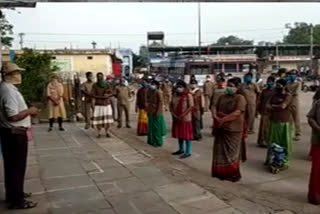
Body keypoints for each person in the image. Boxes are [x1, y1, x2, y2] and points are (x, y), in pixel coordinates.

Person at [0, 62, 39, 209]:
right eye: (17, 73)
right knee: (16, 167)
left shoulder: (8, 88)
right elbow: (13, 116)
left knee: (12, 167)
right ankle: (17, 200)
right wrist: (30, 111)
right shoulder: (8, 91)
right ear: (9, 75)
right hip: (14, 134)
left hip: (11, 133)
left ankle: (15, 193)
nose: (19, 75)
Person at [211, 78, 247, 182]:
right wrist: (215, 116)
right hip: (221, 127)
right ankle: (220, 172)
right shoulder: (222, 97)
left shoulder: (240, 98)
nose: (229, 88)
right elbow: (214, 106)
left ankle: (232, 173)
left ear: (237, 87)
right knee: (220, 151)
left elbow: (238, 112)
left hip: (234, 129)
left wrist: (223, 119)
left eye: (231, 86)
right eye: (228, 85)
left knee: (232, 153)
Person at [265, 79, 293, 170]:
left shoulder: (288, 95)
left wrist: (273, 106)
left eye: (279, 85)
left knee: (284, 142)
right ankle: (272, 159)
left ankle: (284, 161)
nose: (277, 87)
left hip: (284, 122)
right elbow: (267, 106)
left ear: (284, 86)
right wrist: (276, 106)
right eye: (276, 85)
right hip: (274, 121)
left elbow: (283, 106)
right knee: (273, 142)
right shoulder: (273, 95)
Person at [171, 81, 194, 158]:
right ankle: (181, 149)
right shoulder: (174, 95)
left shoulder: (188, 95)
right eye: (177, 86)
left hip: (185, 118)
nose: (178, 88)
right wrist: (174, 114)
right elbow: (171, 105)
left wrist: (182, 115)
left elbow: (190, 107)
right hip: (176, 118)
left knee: (187, 135)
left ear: (184, 87)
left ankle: (188, 151)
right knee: (179, 134)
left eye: (180, 87)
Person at [91, 72, 114, 138]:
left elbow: (112, 93)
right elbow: (93, 94)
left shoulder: (107, 84)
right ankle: (99, 133)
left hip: (107, 104)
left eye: (101, 76)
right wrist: (99, 97)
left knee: (107, 119)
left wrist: (107, 95)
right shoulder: (95, 85)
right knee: (99, 119)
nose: (100, 77)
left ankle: (107, 132)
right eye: (98, 76)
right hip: (98, 104)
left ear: (103, 77)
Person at [307, 99, 320, 205]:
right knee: (316, 170)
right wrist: (317, 128)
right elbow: (310, 117)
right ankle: (314, 196)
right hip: (318, 141)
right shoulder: (319, 103)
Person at [147, 80, 167, 147]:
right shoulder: (150, 91)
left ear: (157, 85)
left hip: (156, 112)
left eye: (153, 84)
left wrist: (157, 112)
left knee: (157, 128)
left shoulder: (159, 92)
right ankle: (152, 141)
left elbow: (160, 103)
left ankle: (158, 142)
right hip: (151, 111)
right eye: (151, 84)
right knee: (151, 127)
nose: (152, 85)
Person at [257, 76, 275, 147]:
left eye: (271, 81)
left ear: (273, 82)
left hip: (272, 111)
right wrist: (258, 109)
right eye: (268, 81)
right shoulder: (264, 91)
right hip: (264, 111)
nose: (269, 82)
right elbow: (259, 100)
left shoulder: (275, 91)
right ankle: (262, 141)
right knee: (263, 126)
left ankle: (269, 140)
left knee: (270, 127)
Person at [285, 69, 301, 140]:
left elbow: (296, 92)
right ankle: (289, 133)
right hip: (288, 101)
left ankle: (298, 133)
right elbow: (285, 90)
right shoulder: (287, 83)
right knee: (289, 118)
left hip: (294, 101)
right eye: (291, 74)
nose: (292, 75)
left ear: (296, 75)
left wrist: (289, 93)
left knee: (296, 117)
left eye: (294, 74)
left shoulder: (298, 83)